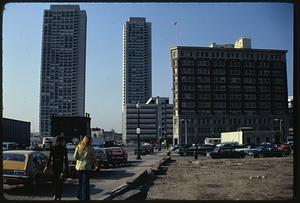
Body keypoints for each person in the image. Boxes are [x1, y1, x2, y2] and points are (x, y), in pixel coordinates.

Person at [44, 136, 69, 200]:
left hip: (59, 166)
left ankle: (57, 195)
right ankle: (56, 195)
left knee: (58, 181)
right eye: (63, 141)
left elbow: (65, 159)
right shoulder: (54, 148)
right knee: (57, 182)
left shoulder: (63, 149)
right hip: (57, 166)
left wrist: (66, 167)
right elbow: (50, 158)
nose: (64, 142)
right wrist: (46, 166)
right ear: (60, 141)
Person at [74, 135, 96, 200]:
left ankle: (80, 196)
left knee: (80, 183)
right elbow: (94, 158)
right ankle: (85, 198)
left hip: (79, 167)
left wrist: (80, 159)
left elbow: (75, 156)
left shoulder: (78, 146)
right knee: (85, 184)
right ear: (89, 141)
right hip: (86, 167)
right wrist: (96, 164)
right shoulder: (90, 148)